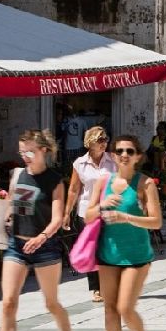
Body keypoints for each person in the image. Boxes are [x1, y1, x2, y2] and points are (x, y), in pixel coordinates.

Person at [0, 130, 77, 331]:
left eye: (30, 151)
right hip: (16, 246)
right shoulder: (17, 176)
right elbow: (8, 209)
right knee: (8, 303)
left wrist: (42, 237)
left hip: (45, 247)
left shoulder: (55, 180)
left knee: (51, 303)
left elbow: (58, 218)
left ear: (44, 151)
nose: (25, 156)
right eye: (22, 151)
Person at [85, 134, 163, 331]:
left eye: (130, 151)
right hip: (108, 254)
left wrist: (126, 217)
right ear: (113, 155)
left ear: (138, 156)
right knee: (109, 310)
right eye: (119, 151)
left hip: (137, 255)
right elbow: (87, 217)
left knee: (125, 308)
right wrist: (101, 206)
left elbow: (156, 221)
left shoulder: (145, 184)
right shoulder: (103, 182)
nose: (124, 155)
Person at [65, 126, 115, 302]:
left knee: (108, 247)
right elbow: (73, 189)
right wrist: (66, 213)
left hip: (110, 211)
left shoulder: (113, 160)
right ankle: (96, 288)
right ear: (90, 142)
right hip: (87, 212)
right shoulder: (79, 163)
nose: (104, 143)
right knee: (92, 250)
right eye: (100, 140)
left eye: (105, 139)